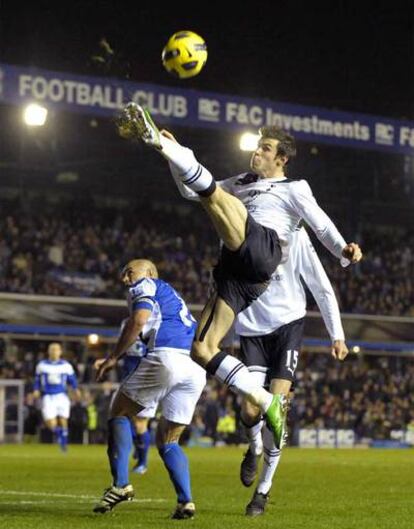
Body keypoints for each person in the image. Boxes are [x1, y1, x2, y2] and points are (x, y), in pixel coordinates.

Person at [116, 103, 362, 450]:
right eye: (257, 146)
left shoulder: (294, 188)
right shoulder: (241, 182)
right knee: (201, 349)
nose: (257, 152)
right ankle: (267, 404)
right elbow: (189, 189)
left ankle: (157, 140)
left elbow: (320, 224)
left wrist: (343, 252)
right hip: (235, 274)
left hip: (264, 249)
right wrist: (175, 160)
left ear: (282, 159)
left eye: (265, 148)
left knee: (213, 197)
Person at [236, 225, 348, 516]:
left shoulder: (297, 235)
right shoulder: (242, 229)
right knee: (249, 410)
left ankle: (262, 491)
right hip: (251, 330)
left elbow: (321, 286)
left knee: (276, 411)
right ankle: (254, 447)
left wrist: (337, 335)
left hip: (289, 325)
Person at [93, 259, 206, 519]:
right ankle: (185, 501)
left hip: (167, 358)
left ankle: (120, 485)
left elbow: (139, 320)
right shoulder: (174, 297)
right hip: (194, 368)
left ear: (149, 273)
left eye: (129, 272)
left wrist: (113, 358)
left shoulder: (146, 285)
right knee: (168, 439)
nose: (125, 278)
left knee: (119, 413)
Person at [94, 320, 152, 475]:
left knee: (140, 422)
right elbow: (124, 348)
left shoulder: (157, 321)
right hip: (128, 378)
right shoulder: (127, 322)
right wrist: (108, 359)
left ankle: (142, 462)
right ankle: (138, 449)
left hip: (147, 379)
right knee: (123, 418)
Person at [32, 342, 81, 451]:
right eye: (52, 349)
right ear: (48, 351)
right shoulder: (41, 365)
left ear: (60, 352)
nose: (54, 351)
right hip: (48, 396)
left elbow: (72, 379)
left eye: (56, 349)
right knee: (50, 422)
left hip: (61, 396)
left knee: (63, 419)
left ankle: (63, 444)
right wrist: (35, 390)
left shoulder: (66, 365)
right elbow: (36, 380)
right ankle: (60, 434)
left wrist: (76, 389)